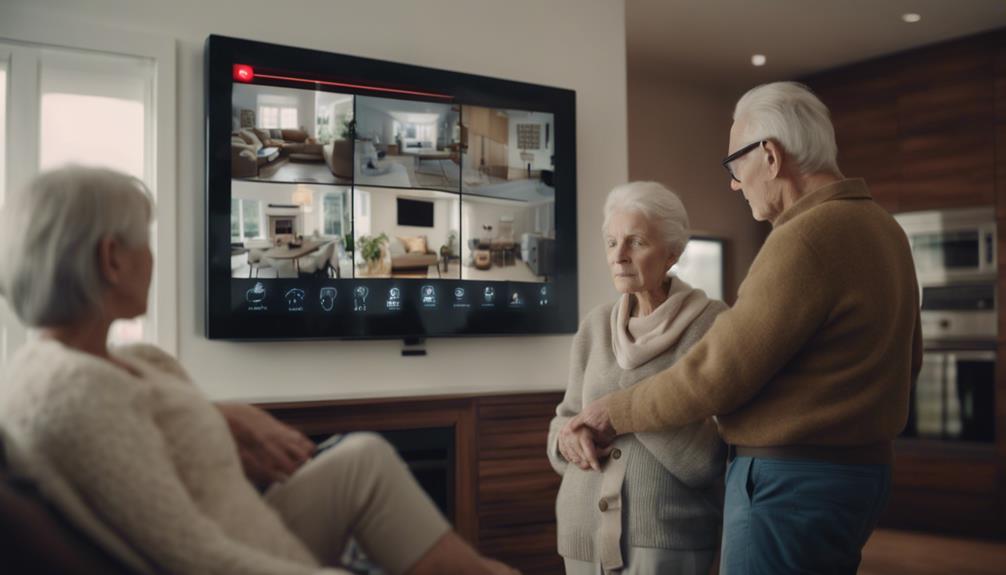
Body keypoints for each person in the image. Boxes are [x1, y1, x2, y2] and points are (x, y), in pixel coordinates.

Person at [0, 165, 518, 575]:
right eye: (146, 242)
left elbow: (162, 432)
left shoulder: (125, 362)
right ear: (112, 259)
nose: (153, 260)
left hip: (249, 519)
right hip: (242, 550)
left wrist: (223, 415)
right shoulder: (76, 394)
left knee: (364, 456)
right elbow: (189, 554)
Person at [565, 81, 922, 574]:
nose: (734, 182)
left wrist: (613, 411)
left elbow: (717, 373)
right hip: (862, 474)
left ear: (770, 157)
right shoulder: (885, 229)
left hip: (789, 481)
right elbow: (910, 361)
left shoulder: (806, 236)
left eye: (735, 165)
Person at [547, 181, 727, 575]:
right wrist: (568, 437)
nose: (619, 256)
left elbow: (712, 458)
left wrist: (626, 412)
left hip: (666, 536)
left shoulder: (713, 325)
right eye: (612, 243)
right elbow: (564, 421)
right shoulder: (594, 326)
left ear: (673, 253)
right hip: (581, 534)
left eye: (636, 242)